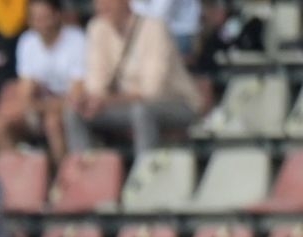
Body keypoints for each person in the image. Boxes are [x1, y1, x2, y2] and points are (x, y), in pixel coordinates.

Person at [64, 0, 202, 157]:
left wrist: (106, 100)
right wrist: (91, 101)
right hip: (122, 104)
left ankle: (143, 168)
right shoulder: (97, 28)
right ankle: (85, 166)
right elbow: (96, 83)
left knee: (141, 111)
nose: (102, 5)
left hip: (175, 102)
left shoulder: (154, 27)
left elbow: (151, 90)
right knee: (75, 112)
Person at [0, 0, 86, 156]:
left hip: (69, 106)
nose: (40, 23)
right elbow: (25, 92)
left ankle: (62, 169)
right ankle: (16, 167)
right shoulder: (27, 41)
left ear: (57, 15)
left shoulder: (77, 40)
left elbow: (76, 96)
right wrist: (35, 105)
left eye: (45, 17)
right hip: (41, 102)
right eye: (35, 18)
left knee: (52, 123)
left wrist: (38, 105)